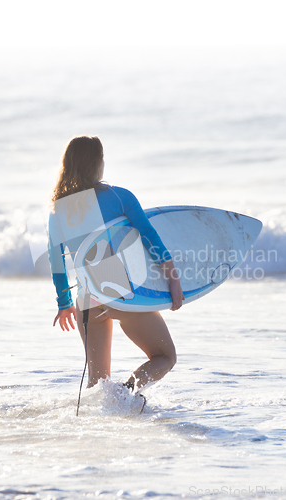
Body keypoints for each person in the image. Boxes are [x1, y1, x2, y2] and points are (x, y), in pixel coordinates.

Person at [48, 136, 184, 392]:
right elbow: (149, 238)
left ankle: (98, 419)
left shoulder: (58, 210)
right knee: (165, 357)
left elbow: (56, 261)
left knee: (97, 383)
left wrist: (63, 304)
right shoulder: (119, 197)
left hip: (86, 298)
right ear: (97, 163)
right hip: (118, 291)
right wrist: (173, 280)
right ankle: (124, 395)